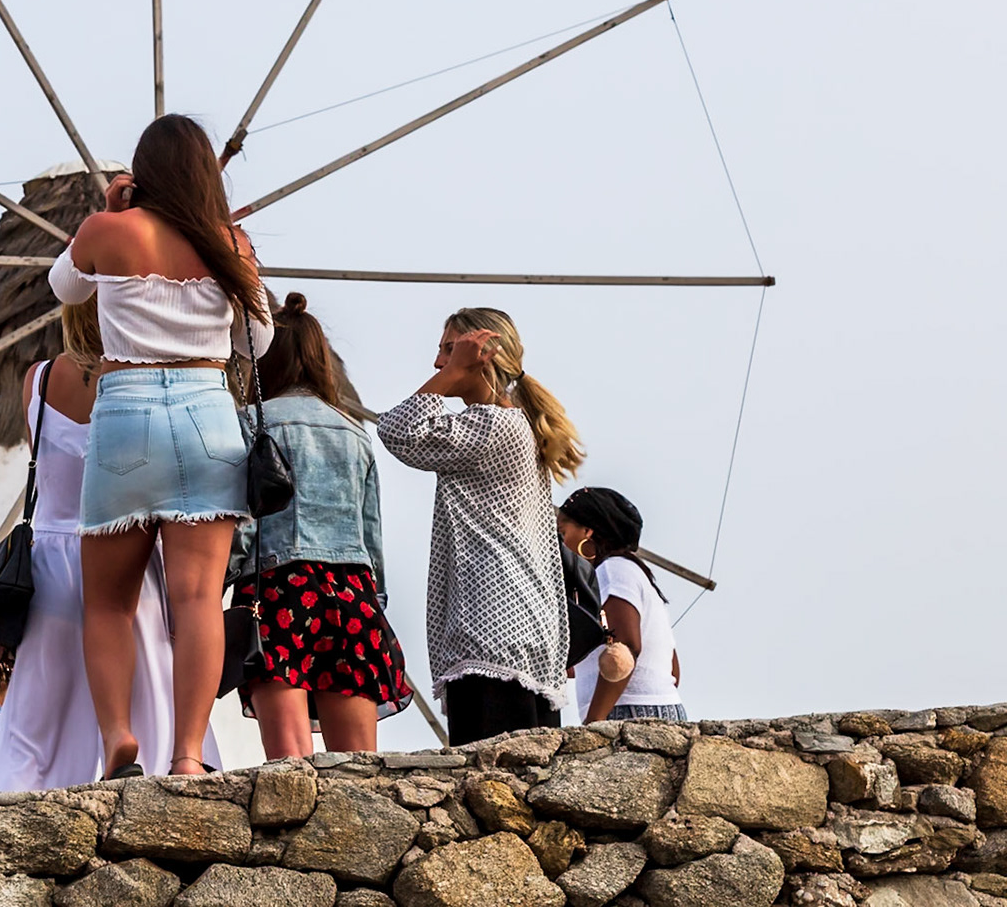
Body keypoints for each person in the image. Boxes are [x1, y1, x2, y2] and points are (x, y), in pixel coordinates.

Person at [48, 114, 272, 778]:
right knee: (199, 601)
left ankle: (119, 736)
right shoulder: (230, 244)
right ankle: (189, 753)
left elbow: (63, 287)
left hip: (127, 414)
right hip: (208, 414)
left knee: (110, 602)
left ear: (142, 176)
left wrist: (111, 209)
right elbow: (257, 346)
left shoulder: (107, 232)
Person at [0, 299, 219, 789]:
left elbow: (43, 465)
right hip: (124, 553)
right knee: (147, 688)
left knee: (38, 712)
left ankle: (16, 800)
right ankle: (152, 775)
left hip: (50, 563)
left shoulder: (38, 380)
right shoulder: (140, 383)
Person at [376, 307, 583, 746]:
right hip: (519, 630)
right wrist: (458, 363)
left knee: (492, 786)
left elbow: (398, 430)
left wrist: (455, 370)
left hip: (490, 629)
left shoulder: (492, 425)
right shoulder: (512, 424)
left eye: (449, 350)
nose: (438, 364)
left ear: (482, 355)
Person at [229, 292, 413, 758]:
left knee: (289, 763)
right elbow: (371, 536)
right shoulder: (354, 432)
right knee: (360, 768)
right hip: (353, 594)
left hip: (278, 587)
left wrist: (214, 586)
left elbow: (246, 521)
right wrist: (376, 603)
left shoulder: (250, 422)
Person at [558, 486, 686, 723]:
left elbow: (625, 646)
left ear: (587, 532)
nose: (560, 544)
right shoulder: (635, 572)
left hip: (628, 711)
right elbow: (672, 670)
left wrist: (595, 720)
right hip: (653, 708)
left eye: (563, 533)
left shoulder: (612, 570)